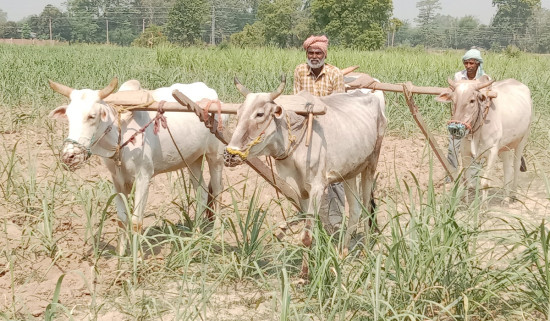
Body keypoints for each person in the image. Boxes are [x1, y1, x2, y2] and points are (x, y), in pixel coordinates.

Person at [293, 35, 345, 233]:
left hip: (329, 127)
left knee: (333, 175)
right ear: (306, 54)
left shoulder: (334, 73)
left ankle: (336, 220)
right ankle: (307, 213)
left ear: (325, 54)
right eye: (311, 53)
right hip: (305, 125)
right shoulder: (299, 70)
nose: (314, 56)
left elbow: (339, 104)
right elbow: (297, 99)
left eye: (318, 53)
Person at [447, 48, 490, 175]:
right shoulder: (458, 76)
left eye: (472, 63)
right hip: (460, 117)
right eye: (466, 63)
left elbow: (485, 99)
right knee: (453, 145)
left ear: (478, 63)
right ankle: (451, 173)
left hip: (477, 120)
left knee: (477, 148)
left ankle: (475, 176)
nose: (468, 66)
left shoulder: (484, 79)